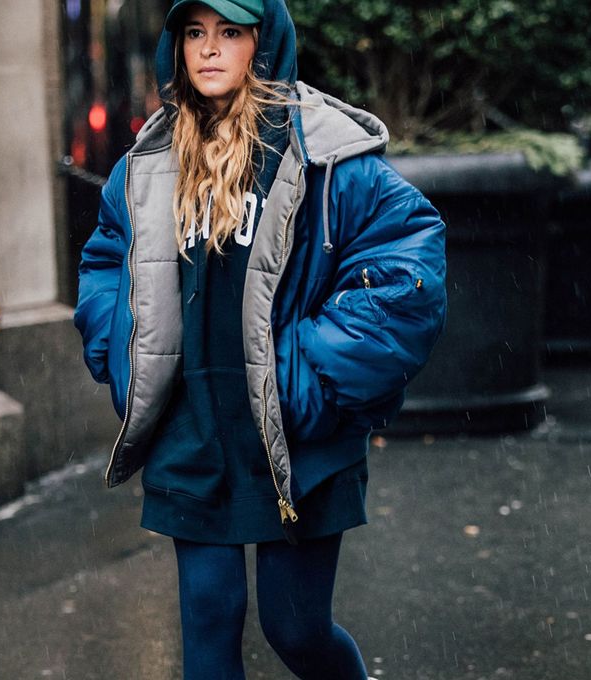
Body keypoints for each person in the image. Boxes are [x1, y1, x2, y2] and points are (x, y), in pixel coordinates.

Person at [74, 0, 447, 677]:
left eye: (229, 33)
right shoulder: (150, 161)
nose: (209, 49)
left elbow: (407, 265)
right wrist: (125, 356)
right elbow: (107, 262)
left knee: (296, 629)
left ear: (262, 42)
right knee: (209, 629)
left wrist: (310, 373)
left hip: (295, 439)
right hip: (193, 437)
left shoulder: (321, 148)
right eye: (194, 33)